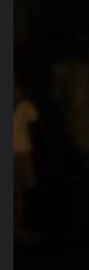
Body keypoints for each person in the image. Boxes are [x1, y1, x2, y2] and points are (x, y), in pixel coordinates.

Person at [49, 44, 89, 232]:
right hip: (78, 124)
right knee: (83, 171)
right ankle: (82, 218)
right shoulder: (63, 68)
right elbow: (57, 97)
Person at [14, 81, 39, 242]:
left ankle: (18, 229)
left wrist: (22, 99)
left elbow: (35, 116)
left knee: (19, 192)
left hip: (22, 152)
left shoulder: (23, 107)